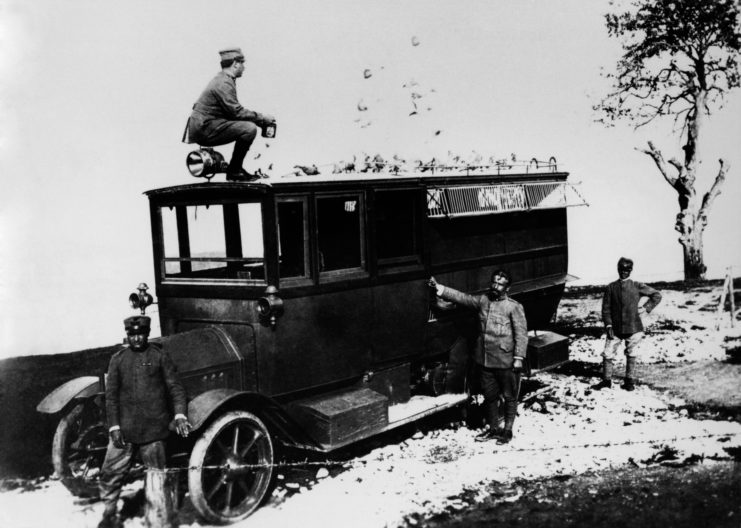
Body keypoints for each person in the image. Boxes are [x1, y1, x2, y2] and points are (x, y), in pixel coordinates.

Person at [98, 316, 190, 528]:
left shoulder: (159, 356)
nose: (136, 338)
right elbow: (111, 397)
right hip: (124, 432)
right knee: (110, 473)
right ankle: (109, 514)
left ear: (147, 334)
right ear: (127, 335)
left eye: (140, 334)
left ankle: (158, 520)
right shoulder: (118, 359)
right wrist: (114, 427)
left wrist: (180, 415)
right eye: (132, 334)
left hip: (154, 431)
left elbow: (175, 388)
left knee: (156, 477)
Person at [429, 269, 528, 444]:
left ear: (508, 288)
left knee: (509, 396)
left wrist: (519, 358)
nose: (496, 286)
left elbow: (521, 335)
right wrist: (440, 288)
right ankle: (492, 429)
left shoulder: (513, 307)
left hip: (505, 361)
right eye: (494, 282)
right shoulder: (483, 301)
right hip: (485, 360)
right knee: (490, 396)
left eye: (500, 284)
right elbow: (463, 298)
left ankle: (507, 431)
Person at [184, 47, 275, 182]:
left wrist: (261, 123)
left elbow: (231, 113)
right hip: (205, 128)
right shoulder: (224, 82)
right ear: (236, 64)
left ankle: (235, 169)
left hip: (206, 125)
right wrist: (263, 118)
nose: (244, 68)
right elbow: (236, 112)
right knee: (248, 129)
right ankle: (235, 170)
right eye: (242, 64)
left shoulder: (223, 79)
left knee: (248, 126)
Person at [595, 257, 662, 391]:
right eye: (621, 269)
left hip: (634, 328)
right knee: (608, 353)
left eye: (627, 269)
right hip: (615, 329)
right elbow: (606, 309)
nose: (624, 272)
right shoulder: (611, 287)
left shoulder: (637, 286)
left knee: (632, 353)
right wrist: (608, 325)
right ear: (617, 269)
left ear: (631, 270)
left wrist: (646, 308)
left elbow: (656, 295)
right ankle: (606, 381)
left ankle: (629, 381)